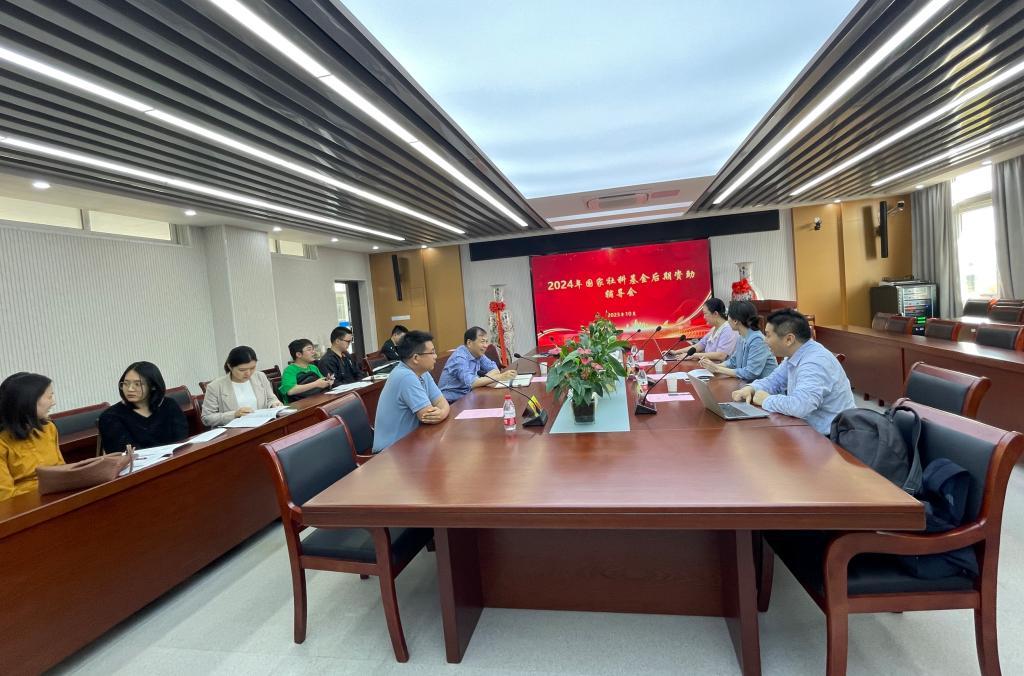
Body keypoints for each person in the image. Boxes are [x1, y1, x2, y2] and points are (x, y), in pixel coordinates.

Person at [731, 308, 855, 434]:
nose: (764, 340)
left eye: (768, 335)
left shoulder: (814, 362)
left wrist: (766, 400)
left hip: (831, 437)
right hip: (804, 427)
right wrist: (751, 388)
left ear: (789, 339)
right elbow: (774, 380)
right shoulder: (795, 354)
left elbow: (800, 406)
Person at [372, 330, 450, 453]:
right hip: (390, 452)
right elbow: (427, 416)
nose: (435, 356)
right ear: (416, 358)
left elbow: (441, 401)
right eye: (432, 352)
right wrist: (443, 412)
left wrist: (442, 412)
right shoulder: (405, 376)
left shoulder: (422, 372)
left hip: (410, 443)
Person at [98, 362, 189, 453]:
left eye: (137, 384)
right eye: (126, 384)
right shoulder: (110, 417)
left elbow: (181, 441)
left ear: (153, 386)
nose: (130, 389)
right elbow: (125, 453)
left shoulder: (169, 405)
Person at [0, 373, 64, 500]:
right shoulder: (3, 442)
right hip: (26, 506)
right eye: (49, 397)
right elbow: (5, 496)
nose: (53, 402)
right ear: (28, 401)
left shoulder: (49, 428)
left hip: (58, 495)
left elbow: (62, 468)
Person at [202, 346, 283, 427]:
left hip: (263, 426)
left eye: (252, 368)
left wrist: (274, 404)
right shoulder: (215, 387)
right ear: (230, 366)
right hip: (235, 431)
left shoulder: (260, 377)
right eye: (242, 370)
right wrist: (234, 414)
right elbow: (207, 418)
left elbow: (271, 398)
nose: (248, 373)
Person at [701, 300, 777, 382]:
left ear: (735, 321)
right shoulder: (742, 337)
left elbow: (750, 373)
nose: (727, 320)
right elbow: (733, 362)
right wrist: (712, 366)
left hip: (764, 388)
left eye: (728, 316)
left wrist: (717, 369)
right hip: (747, 385)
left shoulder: (757, 340)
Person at [439, 327, 517, 402]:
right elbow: (472, 383)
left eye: (486, 342)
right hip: (452, 402)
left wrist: (481, 380)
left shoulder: (477, 353)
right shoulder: (459, 358)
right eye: (482, 342)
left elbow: (495, 369)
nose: (485, 345)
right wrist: (500, 377)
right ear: (469, 343)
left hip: (469, 395)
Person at [666, 298, 737, 362]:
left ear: (715, 314)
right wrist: (676, 352)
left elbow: (721, 355)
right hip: (709, 366)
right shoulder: (714, 328)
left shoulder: (728, 329)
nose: (704, 317)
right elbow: (700, 345)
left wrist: (693, 355)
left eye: (705, 314)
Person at [279, 338, 333, 403]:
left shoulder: (313, 367)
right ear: (299, 354)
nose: (313, 352)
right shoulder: (289, 370)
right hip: (298, 404)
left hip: (316, 400)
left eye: (313, 349)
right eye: (309, 349)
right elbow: (290, 391)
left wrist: (328, 382)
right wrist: (315, 384)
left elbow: (321, 383)